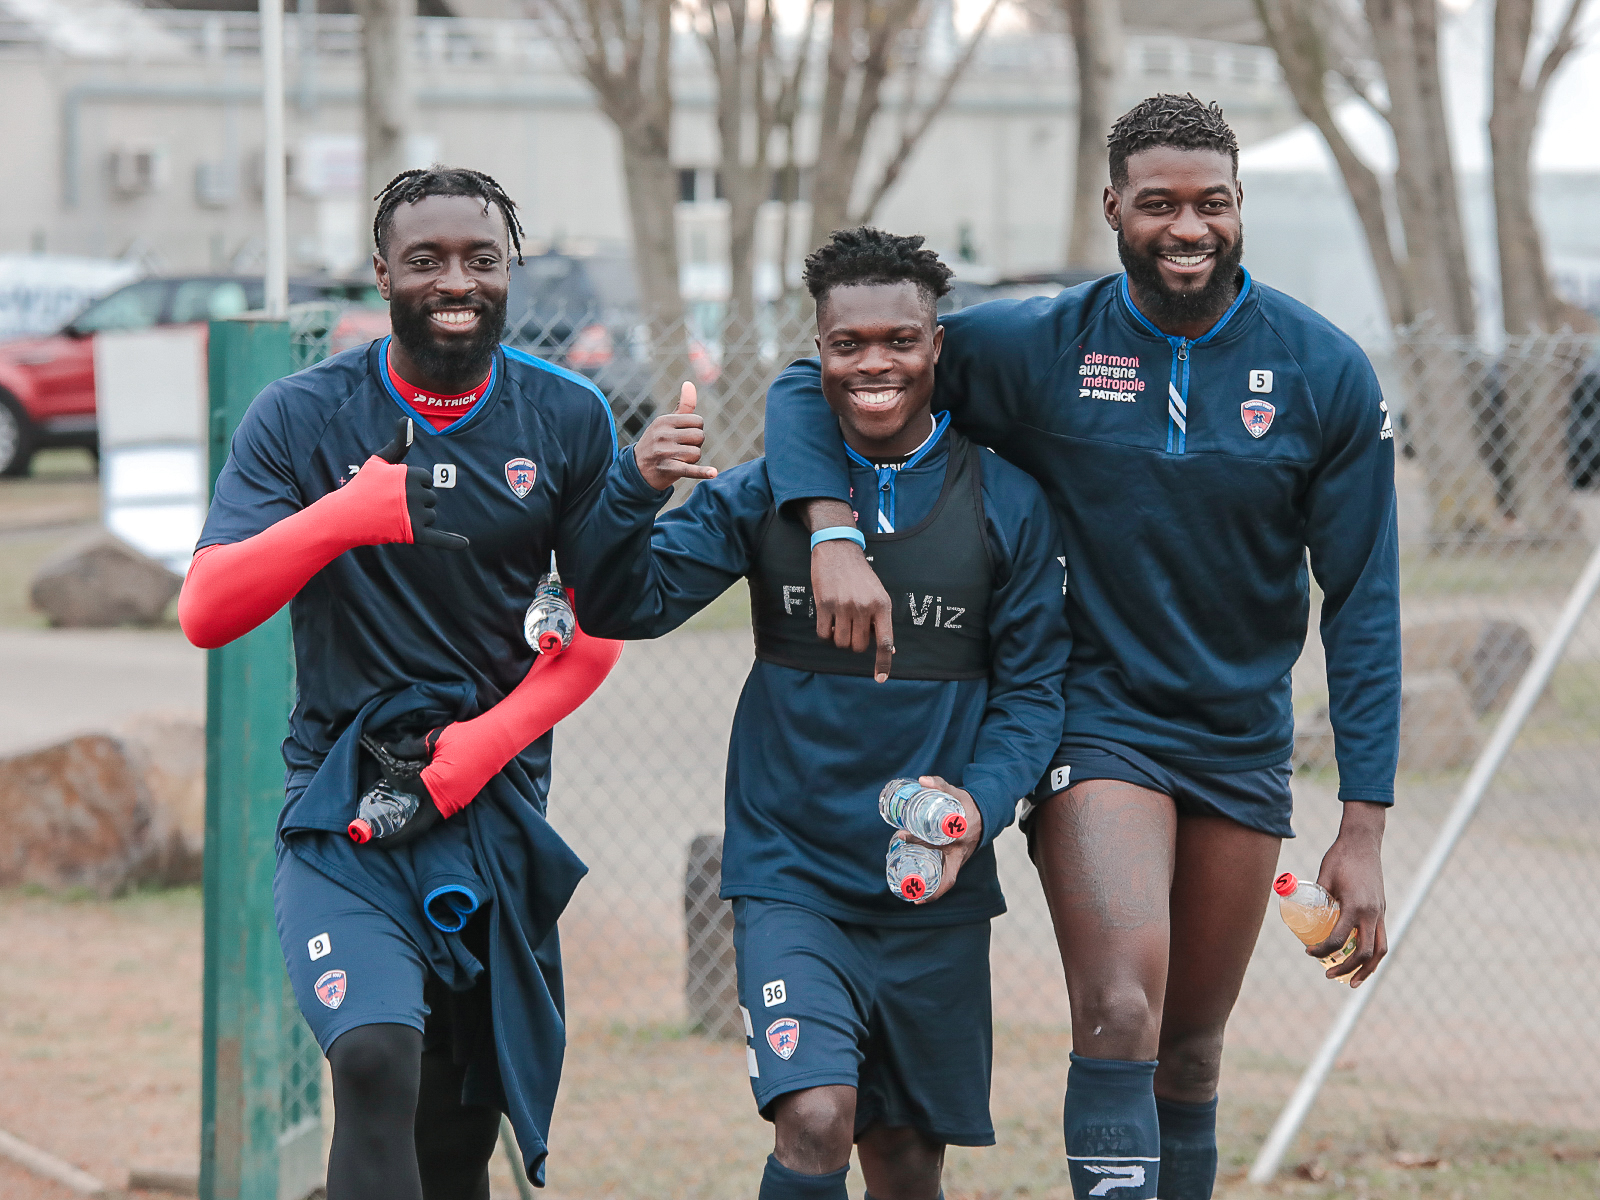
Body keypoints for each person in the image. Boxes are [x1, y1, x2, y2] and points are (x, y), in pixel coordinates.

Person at [760, 95, 1401, 1200]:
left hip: (1238, 740)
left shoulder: (1320, 370)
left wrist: (1363, 822)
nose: (1186, 227)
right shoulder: (1037, 344)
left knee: (1188, 1058)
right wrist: (829, 527)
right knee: (1117, 1011)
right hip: (1094, 722)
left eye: (1211, 203)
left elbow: (1363, 601)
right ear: (1112, 207)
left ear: (1239, 207)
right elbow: (814, 379)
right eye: (1158, 204)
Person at [567, 227, 1068, 1200]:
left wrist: (976, 804)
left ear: (936, 349)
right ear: (819, 352)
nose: (874, 363)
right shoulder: (765, 496)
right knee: (814, 1116)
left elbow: (1033, 693)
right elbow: (622, 604)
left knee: (907, 1158)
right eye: (847, 345)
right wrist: (634, 489)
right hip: (791, 873)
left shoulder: (1005, 501)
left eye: (899, 341)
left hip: (932, 886)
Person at [178, 167, 625, 1200]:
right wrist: (345, 514)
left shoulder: (567, 418)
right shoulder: (300, 416)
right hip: (344, 810)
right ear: (382, 272)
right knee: (374, 1059)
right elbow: (206, 610)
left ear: (511, 272)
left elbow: (602, 630)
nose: (454, 279)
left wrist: (479, 752)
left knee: (454, 1133)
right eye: (425, 260)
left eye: (481, 259)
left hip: (493, 809)